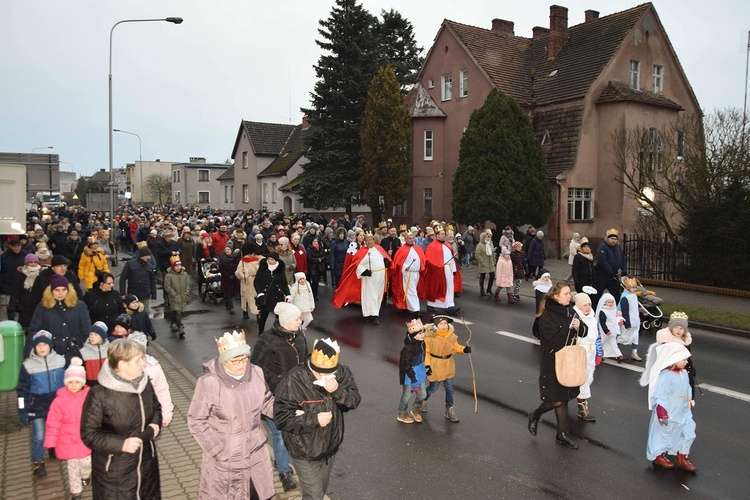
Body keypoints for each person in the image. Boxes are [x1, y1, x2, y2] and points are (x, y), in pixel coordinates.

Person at [188, 330, 275, 499]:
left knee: (259, 495)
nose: (242, 364)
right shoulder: (209, 383)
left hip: (256, 455)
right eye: (235, 361)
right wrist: (217, 450)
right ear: (224, 361)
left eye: (245, 358)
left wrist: (290, 414)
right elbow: (196, 420)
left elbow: (266, 402)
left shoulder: (256, 373)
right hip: (227, 460)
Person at [274, 338, 361, 500]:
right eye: (323, 373)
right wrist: (313, 420)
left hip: (330, 449)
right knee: (313, 496)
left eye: (331, 372)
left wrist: (337, 390)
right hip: (304, 450)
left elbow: (354, 401)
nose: (328, 376)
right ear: (312, 367)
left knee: (319, 493)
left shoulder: (341, 373)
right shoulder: (294, 380)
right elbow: (281, 417)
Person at [81, 339, 162, 499]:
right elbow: (88, 434)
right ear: (121, 365)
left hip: (147, 465)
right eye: (138, 360)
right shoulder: (99, 394)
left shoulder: (144, 383)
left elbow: (156, 408)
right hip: (115, 473)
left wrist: (155, 423)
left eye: (142, 358)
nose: (143, 363)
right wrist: (122, 444)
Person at [251, 303, 309, 493]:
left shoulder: (299, 335)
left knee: (294, 432)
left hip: (297, 394)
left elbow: (305, 359)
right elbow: (256, 366)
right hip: (273, 395)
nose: (300, 321)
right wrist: (277, 381)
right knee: (280, 434)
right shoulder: (266, 340)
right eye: (296, 319)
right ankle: (284, 473)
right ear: (285, 321)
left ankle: (280, 460)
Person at [528, 281, 587, 450]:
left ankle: (561, 435)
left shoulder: (571, 311)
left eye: (570, 293)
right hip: (552, 361)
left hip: (568, 360)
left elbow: (584, 332)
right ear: (556, 296)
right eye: (566, 294)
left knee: (564, 398)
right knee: (556, 400)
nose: (570, 296)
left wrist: (579, 326)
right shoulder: (546, 316)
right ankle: (535, 414)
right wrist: (570, 330)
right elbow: (555, 341)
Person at [639, 342, 697, 471]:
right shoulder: (665, 376)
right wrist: (662, 410)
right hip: (669, 410)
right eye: (684, 359)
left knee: (689, 432)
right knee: (664, 432)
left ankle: (682, 454)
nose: (687, 362)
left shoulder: (684, 373)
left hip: (683, 410)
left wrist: (690, 400)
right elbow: (661, 394)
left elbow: (688, 387)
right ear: (673, 359)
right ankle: (658, 455)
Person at [17, 330, 66, 478]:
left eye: (45, 344)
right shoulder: (28, 366)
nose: (42, 348)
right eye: (38, 345)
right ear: (34, 347)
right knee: (39, 435)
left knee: (56, 430)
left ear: (51, 346)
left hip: (56, 405)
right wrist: (22, 409)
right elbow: (22, 390)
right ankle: (38, 462)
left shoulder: (61, 361)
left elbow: (67, 383)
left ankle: (53, 448)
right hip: (37, 407)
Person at [43, 357, 92, 500]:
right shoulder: (59, 401)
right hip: (67, 441)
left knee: (86, 463)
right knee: (72, 468)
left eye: (77, 382)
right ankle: (76, 492)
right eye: (70, 382)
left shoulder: (89, 397)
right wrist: (51, 443)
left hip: (84, 439)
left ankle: (86, 475)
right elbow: (53, 422)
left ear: (83, 382)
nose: (73, 385)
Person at [27, 275, 91, 361]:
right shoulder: (43, 307)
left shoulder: (79, 306)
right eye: (57, 290)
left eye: (64, 290)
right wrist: (27, 354)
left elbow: (86, 330)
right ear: (51, 291)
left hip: (74, 352)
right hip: (51, 353)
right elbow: (34, 330)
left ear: (68, 290)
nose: (60, 293)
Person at [332, 233, 391, 324]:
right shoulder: (362, 251)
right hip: (369, 277)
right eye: (367, 240)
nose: (369, 242)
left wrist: (387, 262)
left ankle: (374, 313)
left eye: (370, 240)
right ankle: (373, 315)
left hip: (380, 276)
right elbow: (356, 264)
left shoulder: (379, 249)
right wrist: (364, 271)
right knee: (370, 296)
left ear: (373, 240)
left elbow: (386, 258)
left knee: (378, 295)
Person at [422, 314, 471, 422]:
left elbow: (455, 347)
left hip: (448, 364)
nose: (443, 326)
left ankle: (449, 409)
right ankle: (423, 400)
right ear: (435, 325)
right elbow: (427, 353)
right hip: (435, 364)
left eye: (445, 323)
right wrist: (427, 366)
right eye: (441, 324)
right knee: (433, 388)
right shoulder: (429, 337)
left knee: (449, 388)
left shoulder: (451, 336)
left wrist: (464, 349)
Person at [130, 332, 174, 428]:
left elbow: (162, 390)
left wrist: (166, 414)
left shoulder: (153, 367)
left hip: (148, 414)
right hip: (127, 417)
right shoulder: (120, 368)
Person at [572, 292, 602, 422]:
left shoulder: (593, 318)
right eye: (584, 305)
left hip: (591, 351)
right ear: (579, 306)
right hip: (579, 351)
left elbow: (597, 336)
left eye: (589, 304)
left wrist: (599, 352)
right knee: (581, 380)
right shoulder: (575, 318)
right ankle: (582, 408)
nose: (588, 307)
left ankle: (578, 402)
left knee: (588, 378)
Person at [654, 311, 697, 399]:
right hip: (670, 369)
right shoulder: (666, 341)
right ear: (671, 328)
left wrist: (690, 367)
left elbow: (688, 357)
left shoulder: (685, 341)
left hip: (684, 368)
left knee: (688, 382)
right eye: (676, 327)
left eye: (681, 328)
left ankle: (688, 400)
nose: (678, 330)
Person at [420, 226, 461, 314]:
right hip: (437, 271)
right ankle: (431, 304)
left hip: (448, 270)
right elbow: (428, 260)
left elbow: (452, 258)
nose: (443, 236)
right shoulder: (432, 247)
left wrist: (454, 270)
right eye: (442, 234)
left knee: (449, 287)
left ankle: (450, 305)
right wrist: (437, 267)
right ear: (437, 235)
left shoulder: (447, 245)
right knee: (437, 288)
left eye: (444, 234)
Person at [390, 230, 426, 318]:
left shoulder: (418, 248)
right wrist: (405, 267)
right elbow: (398, 262)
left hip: (416, 273)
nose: (411, 240)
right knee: (411, 291)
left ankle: (407, 306)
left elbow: (422, 259)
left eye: (412, 238)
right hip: (408, 274)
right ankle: (416, 310)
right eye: (409, 238)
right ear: (405, 239)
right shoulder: (402, 250)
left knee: (413, 291)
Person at [397, 318, 427, 424]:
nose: (423, 335)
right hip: (409, 375)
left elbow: (423, 358)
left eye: (423, 332)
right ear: (414, 336)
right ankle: (402, 413)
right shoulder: (408, 349)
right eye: (420, 333)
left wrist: (427, 368)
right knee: (407, 395)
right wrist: (413, 378)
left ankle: (415, 409)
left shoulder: (422, 344)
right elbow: (406, 365)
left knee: (423, 394)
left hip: (420, 372)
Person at [254, 252, 291, 332]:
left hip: (277, 296)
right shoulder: (263, 268)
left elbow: (284, 283)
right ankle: (260, 333)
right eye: (268, 259)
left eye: (272, 259)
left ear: (276, 260)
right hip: (266, 296)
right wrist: (260, 293)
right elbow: (256, 282)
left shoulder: (280, 270)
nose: (270, 261)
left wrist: (288, 294)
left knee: (279, 317)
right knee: (263, 316)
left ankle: (280, 333)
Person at [593, 228, 627, 304]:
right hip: (601, 276)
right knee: (597, 295)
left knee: (616, 295)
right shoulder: (603, 247)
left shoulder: (618, 248)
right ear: (607, 238)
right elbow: (603, 262)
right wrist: (611, 272)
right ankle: (594, 311)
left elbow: (622, 259)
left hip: (613, 276)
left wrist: (624, 270)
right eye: (612, 238)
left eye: (615, 239)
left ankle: (617, 311)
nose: (613, 240)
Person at [9, 253, 42, 329]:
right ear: (27, 263)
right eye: (31, 262)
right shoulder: (20, 274)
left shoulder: (41, 274)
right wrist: (12, 305)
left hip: (38, 304)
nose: (33, 264)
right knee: (25, 326)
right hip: (24, 304)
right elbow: (15, 290)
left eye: (35, 262)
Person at [119, 247, 157, 313]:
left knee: (144, 313)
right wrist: (122, 293)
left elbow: (152, 281)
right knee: (131, 312)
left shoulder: (150, 267)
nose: (149, 258)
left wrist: (154, 295)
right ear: (142, 255)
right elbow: (123, 278)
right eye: (147, 256)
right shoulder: (130, 264)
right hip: (132, 293)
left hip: (145, 294)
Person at [595, 292, 626, 362]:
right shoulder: (603, 311)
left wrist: (620, 322)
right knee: (601, 342)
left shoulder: (613, 310)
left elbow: (616, 319)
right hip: (605, 330)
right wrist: (606, 331)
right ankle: (597, 355)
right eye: (608, 302)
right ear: (604, 302)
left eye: (612, 302)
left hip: (613, 329)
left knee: (613, 343)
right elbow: (602, 322)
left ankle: (619, 355)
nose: (611, 304)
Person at [236, 241, 263, 320]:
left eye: (253, 253)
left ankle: (258, 314)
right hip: (247, 282)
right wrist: (242, 272)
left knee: (258, 298)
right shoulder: (242, 262)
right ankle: (245, 311)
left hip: (257, 281)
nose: (252, 255)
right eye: (250, 253)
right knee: (246, 298)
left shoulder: (260, 260)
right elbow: (237, 273)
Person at [164, 258, 190, 336]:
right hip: (174, 297)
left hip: (183, 296)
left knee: (178, 311)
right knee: (177, 311)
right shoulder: (169, 275)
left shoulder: (184, 274)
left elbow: (187, 285)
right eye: (176, 266)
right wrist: (174, 294)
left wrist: (186, 293)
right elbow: (167, 287)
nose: (178, 268)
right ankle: (180, 326)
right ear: (173, 267)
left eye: (179, 266)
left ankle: (173, 323)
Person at [619, 277, 642, 361]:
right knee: (624, 337)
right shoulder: (625, 297)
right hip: (629, 321)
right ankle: (613, 348)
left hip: (636, 320)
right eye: (633, 287)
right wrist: (627, 323)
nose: (635, 289)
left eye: (635, 287)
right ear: (627, 288)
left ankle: (634, 352)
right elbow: (625, 311)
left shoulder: (634, 295)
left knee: (635, 337)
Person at [474, 229, 495, 297]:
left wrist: (494, 260)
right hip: (483, 263)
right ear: (482, 238)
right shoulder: (480, 245)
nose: (487, 238)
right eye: (486, 237)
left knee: (492, 276)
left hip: (490, 263)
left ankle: (489, 289)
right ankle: (482, 290)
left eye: (488, 237)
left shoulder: (490, 244)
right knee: (482, 277)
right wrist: (482, 260)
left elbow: (492, 253)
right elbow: (477, 254)